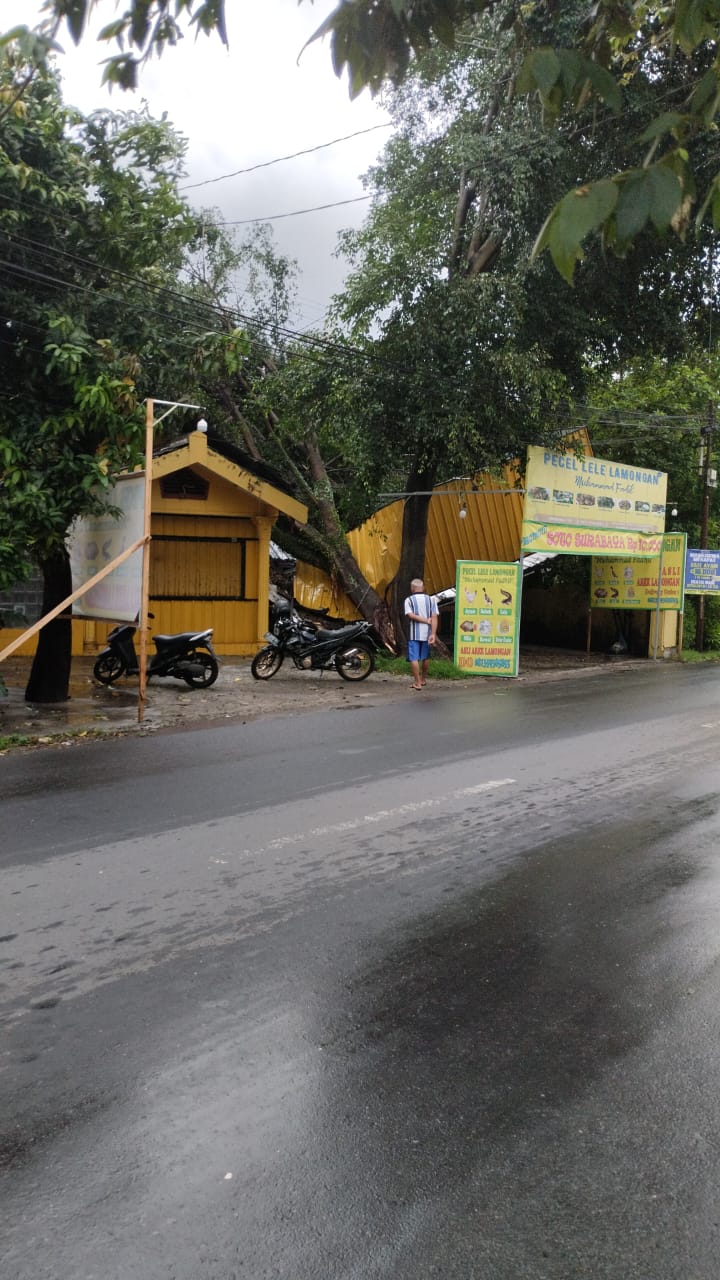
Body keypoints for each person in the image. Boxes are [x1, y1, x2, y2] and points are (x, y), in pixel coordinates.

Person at [404, 577, 438, 690]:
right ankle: (423, 679)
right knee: (426, 657)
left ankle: (417, 683)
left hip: (414, 634)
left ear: (412, 589)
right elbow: (434, 617)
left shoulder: (408, 600)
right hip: (428, 633)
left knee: (414, 658)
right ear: (423, 588)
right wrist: (433, 633)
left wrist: (424, 620)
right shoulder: (431, 599)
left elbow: (410, 615)